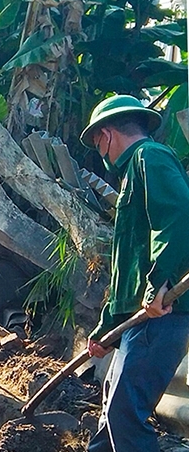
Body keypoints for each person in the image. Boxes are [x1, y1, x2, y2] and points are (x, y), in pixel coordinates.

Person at [81, 94, 189, 452]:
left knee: (125, 416)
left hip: (160, 316)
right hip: (138, 320)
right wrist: (105, 330)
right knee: (109, 423)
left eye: (98, 143)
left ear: (107, 134)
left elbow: (176, 217)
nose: (101, 152)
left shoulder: (150, 157)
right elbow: (126, 269)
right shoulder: (135, 172)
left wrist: (161, 281)